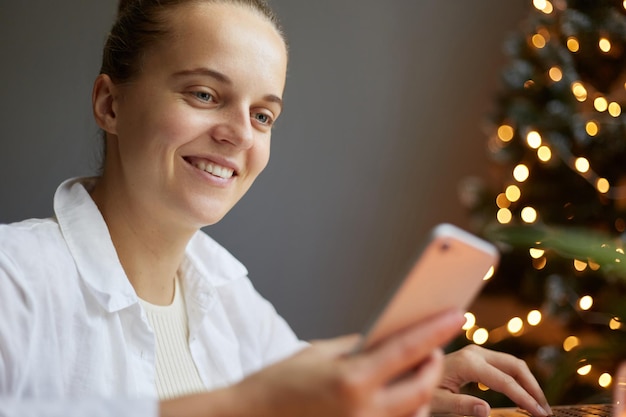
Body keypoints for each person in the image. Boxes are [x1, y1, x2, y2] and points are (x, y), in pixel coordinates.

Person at [0, 1, 553, 416]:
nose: (239, 134)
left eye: (263, 115)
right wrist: (243, 406)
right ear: (110, 104)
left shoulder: (226, 294)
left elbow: (301, 389)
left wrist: (399, 391)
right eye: (204, 95)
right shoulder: (14, 277)